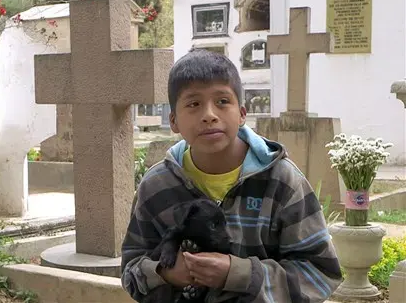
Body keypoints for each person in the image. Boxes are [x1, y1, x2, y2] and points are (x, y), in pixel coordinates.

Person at [121, 49, 343, 302]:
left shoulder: (282, 182)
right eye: (193, 104)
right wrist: (165, 272)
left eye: (223, 101)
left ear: (242, 114)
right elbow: (131, 272)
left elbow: (320, 273)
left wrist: (238, 274)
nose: (209, 115)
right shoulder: (156, 186)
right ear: (173, 121)